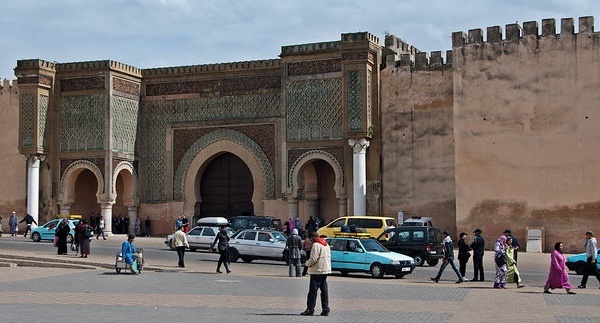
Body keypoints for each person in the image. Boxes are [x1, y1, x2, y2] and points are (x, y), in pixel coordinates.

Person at [301, 231, 331, 316]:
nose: (310, 241)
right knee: (324, 291)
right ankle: (325, 309)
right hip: (325, 270)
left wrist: (306, 264)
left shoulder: (316, 245)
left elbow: (313, 259)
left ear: (313, 237)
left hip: (317, 270)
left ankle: (310, 309)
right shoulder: (326, 244)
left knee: (312, 292)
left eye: (310, 239)